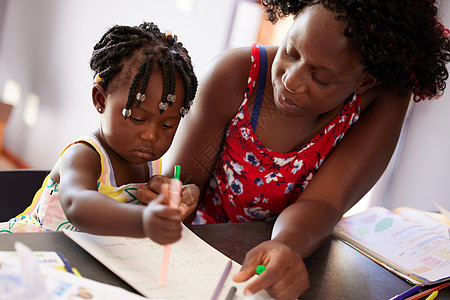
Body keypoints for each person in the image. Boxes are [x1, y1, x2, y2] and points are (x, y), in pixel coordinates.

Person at [138, 1, 450, 299]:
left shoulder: (381, 101)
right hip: (191, 260)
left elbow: (322, 204)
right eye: (292, 51)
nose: (291, 80)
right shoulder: (233, 75)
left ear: (364, 81)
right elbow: (183, 176)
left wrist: (285, 245)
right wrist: (174, 192)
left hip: (287, 263)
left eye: (320, 78)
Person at [0, 22, 199, 245]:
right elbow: (78, 205)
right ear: (101, 100)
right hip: (37, 250)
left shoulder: (151, 165)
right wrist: (142, 219)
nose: (151, 135)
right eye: (137, 118)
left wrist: (176, 196)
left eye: (167, 125)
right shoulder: (85, 155)